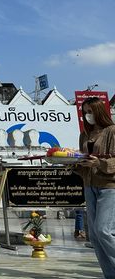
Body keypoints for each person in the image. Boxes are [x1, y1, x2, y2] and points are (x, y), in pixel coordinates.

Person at [76, 96, 115, 278]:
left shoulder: (112, 131)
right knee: (95, 237)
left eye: (90, 112)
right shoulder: (85, 135)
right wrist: (71, 163)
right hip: (89, 185)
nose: (87, 116)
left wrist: (99, 163)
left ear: (99, 111)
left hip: (109, 186)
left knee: (104, 230)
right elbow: (83, 163)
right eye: (84, 113)